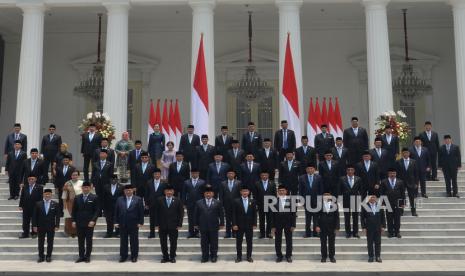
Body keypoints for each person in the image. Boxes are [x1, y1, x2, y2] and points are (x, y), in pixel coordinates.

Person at [194, 184, 224, 263]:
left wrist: (222, 224)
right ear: (204, 194)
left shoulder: (217, 202)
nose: (208, 194)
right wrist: (195, 224)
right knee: (204, 242)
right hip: (203, 226)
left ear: (213, 194)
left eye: (210, 193)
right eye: (206, 193)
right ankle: (205, 256)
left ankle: (214, 256)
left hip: (214, 225)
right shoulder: (199, 202)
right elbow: (196, 214)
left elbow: (221, 214)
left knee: (214, 242)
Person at [114, 184, 145, 263]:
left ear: (133, 191)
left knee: (134, 241)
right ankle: (123, 256)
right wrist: (115, 222)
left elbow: (141, 212)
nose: (128, 191)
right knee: (123, 241)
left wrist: (140, 222)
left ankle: (134, 256)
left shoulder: (138, 199)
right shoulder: (119, 199)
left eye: (130, 190)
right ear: (124, 191)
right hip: (122, 223)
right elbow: (116, 211)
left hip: (134, 224)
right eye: (126, 190)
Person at [154, 184, 184, 263]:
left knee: (173, 242)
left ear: (173, 191)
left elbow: (181, 213)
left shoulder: (178, 200)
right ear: (164, 192)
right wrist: (156, 224)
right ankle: (165, 257)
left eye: (171, 191)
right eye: (167, 191)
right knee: (163, 242)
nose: (169, 192)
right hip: (162, 225)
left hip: (174, 225)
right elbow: (156, 213)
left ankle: (172, 256)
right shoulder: (159, 200)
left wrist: (179, 224)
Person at [72, 182, 100, 263]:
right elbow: (74, 211)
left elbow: (97, 211)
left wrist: (93, 220)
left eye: (87, 187)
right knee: (80, 240)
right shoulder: (77, 197)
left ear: (90, 188)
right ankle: (81, 256)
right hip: (79, 222)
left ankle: (87, 256)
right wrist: (73, 220)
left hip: (89, 223)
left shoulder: (94, 197)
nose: (85, 189)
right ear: (82, 188)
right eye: (84, 187)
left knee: (88, 240)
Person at [32, 188, 60, 263]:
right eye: (46, 194)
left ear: (51, 195)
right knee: (40, 242)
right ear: (43, 195)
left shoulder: (55, 204)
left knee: (50, 242)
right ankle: (41, 256)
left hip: (51, 226)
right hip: (41, 226)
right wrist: (34, 226)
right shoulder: (38, 204)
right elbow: (34, 216)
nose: (47, 195)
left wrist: (57, 225)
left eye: (49, 194)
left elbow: (57, 216)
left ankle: (48, 256)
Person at [271, 184, 296, 263]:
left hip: (288, 223)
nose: (281, 192)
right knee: (278, 240)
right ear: (278, 192)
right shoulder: (274, 201)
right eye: (280, 191)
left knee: (289, 240)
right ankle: (279, 256)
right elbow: (272, 215)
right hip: (277, 223)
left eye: (283, 190)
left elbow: (293, 213)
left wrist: (293, 225)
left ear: (286, 191)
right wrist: (273, 226)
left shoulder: (291, 201)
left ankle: (288, 256)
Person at [232, 185, 257, 263]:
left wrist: (254, 223)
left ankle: (249, 256)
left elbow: (254, 214)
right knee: (239, 242)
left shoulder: (252, 201)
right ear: (241, 192)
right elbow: (234, 214)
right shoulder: (236, 201)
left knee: (249, 242)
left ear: (249, 192)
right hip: (239, 225)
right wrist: (234, 224)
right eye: (243, 191)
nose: (245, 192)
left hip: (249, 225)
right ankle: (239, 257)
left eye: (246, 191)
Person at [298, 164, 323, 238]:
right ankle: (307, 233)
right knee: (308, 218)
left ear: (314, 169)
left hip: (316, 201)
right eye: (308, 169)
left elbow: (321, 189)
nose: (310, 170)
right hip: (307, 201)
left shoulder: (318, 177)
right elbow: (300, 190)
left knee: (316, 218)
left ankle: (316, 233)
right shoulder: (302, 178)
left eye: (311, 168)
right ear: (306, 170)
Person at [380, 168, 405, 238]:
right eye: (391, 173)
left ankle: (397, 232)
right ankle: (390, 232)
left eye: (393, 173)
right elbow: (381, 193)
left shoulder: (400, 182)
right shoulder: (384, 182)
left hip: (398, 203)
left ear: (396, 174)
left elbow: (403, 193)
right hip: (388, 202)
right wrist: (382, 202)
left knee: (397, 218)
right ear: (388, 174)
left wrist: (403, 203)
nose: (392, 175)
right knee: (389, 218)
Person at [339, 165, 363, 238]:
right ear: (346, 171)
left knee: (355, 217)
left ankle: (355, 232)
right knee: (347, 217)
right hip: (346, 200)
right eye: (348, 170)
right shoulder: (342, 179)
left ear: (354, 171)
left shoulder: (358, 179)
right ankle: (348, 232)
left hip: (355, 200)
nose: (350, 171)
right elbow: (339, 189)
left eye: (351, 170)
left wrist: (361, 199)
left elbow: (361, 189)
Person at [315, 192, 339, 263]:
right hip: (322, 226)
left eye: (328, 195)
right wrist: (316, 226)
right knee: (323, 242)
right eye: (325, 195)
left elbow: (337, 217)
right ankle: (324, 256)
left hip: (332, 226)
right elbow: (316, 216)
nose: (326, 196)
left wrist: (337, 227)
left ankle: (332, 257)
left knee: (332, 242)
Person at [361, 194, 386, 263]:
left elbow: (383, 217)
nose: (373, 198)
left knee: (378, 242)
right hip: (369, 228)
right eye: (371, 197)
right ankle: (371, 256)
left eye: (374, 197)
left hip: (378, 227)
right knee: (370, 243)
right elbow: (362, 218)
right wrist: (363, 227)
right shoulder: (365, 206)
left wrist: (383, 226)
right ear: (369, 198)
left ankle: (378, 256)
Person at [19, 174, 43, 238]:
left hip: (35, 207)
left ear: (35, 179)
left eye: (32, 179)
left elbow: (41, 198)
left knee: (35, 220)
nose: (31, 180)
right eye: (29, 179)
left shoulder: (39, 187)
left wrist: (40, 206)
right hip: (26, 207)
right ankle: (25, 233)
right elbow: (22, 197)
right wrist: (20, 205)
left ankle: (34, 233)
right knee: (25, 221)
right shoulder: (25, 187)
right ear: (28, 180)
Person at [183, 168, 205, 238]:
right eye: (193, 173)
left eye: (196, 173)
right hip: (190, 203)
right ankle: (190, 232)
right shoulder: (186, 182)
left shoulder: (202, 182)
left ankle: (197, 232)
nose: (194, 174)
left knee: (199, 218)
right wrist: (184, 203)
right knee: (190, 218)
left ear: (198, 174)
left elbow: (204, 193)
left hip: (200, 203)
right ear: (191, 174)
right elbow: (184, 193)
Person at [396, 148, 419, 216]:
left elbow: (416, 173)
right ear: (402, 154)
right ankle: (401, 211)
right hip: (401, 182)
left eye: (407, 152)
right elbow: (396, 173)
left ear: (409, 153)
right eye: (404, 153)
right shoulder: (398, 162)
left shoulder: (413, 161)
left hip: (411, 182)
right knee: (401, 197)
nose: (405, 154)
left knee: (412, 197)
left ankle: (413, 211)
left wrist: (416, 183)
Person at [219, 169, 241, 238]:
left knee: (235, 219)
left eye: (232, 173)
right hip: (226, 204)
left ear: (234, 175)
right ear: (227, 175)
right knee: (228, 219)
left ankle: (234, 233)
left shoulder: (238, 183)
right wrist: (221, 204)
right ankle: (228, 233)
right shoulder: (223, 183)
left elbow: (240, 194)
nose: (230, 175)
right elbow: (221, 195)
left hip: (236, 204)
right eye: (229, 173)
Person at [145, 168, 166, 238]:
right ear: (153, 175)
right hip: (152, 203)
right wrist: (146, 203)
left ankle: (161, 232)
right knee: (152, 219)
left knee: (161, 219)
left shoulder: (164, 183)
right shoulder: (149, 182)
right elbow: (146, 193)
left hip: (161, 204)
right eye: (155, 174)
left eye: (158, 174)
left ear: (160, 174)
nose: (157, 175)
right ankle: (152, 233)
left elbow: (165, 194)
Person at [255, 171, 276, 239]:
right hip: (261, 205)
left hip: (270, 205)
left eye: (265, 175)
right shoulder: (257, 183)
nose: (264, 176)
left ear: (268, 175)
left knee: (269, 220)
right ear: (260, 176)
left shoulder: (272, 183)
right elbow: (255, 196)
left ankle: (268, 233)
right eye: (263, 175)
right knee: (261, 220)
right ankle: (262, 234)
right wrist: (257, 204)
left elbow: (274, 195)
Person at [62, 170, 83, 237]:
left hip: (80, 202)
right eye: (73, 175)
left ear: (78, 176)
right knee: (69, 217)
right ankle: (70, 232)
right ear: (71, 176)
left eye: (76, 175)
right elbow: (64, 195)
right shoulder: (67, 183)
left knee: (78, 217)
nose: (74, 176)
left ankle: (78, 231)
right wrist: (64, 205)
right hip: (69, 203)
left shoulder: (82, 183)